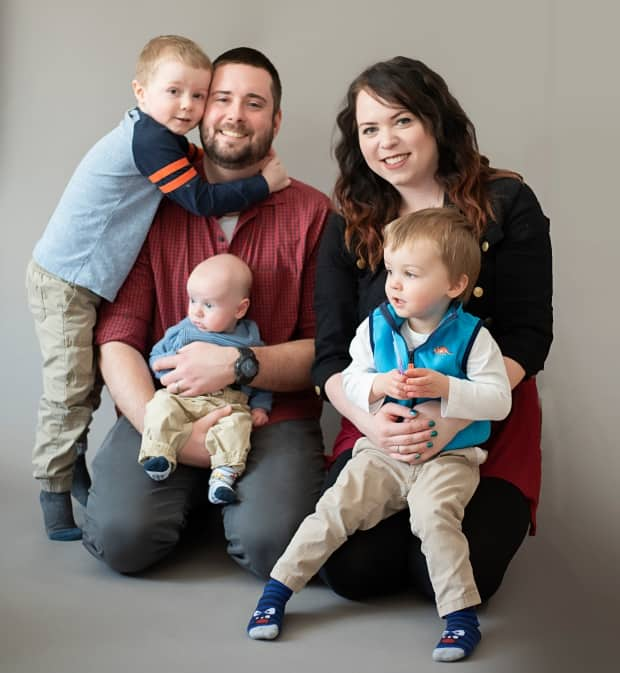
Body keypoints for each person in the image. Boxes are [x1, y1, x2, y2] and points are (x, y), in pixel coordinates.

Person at [311, 58, 552, 616]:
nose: (386, 142)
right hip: (381, 427)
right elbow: (329, 358)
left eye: (401, 121)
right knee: (352, 572)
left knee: (447, 576)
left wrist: (453, 415)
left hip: (484, 422)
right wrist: (376, 424)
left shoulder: (507, 202)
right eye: (369, 129)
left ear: (435, 121)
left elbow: (528, 336)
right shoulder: (347, 222)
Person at [26, 35, 289, 542]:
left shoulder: (164, 140)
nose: (188, 107)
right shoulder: (149, 140)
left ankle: (69, 467)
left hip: (87, 277)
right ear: (140, 92)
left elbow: (191, 162)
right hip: (65, 278)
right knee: (68, 391)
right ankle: (53, 491)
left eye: (197, 96)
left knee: (84, 387)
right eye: (176, 93)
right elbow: (198, 198)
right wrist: (264, 185)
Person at [80, 47, 331, 578]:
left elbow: (326, 349)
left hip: (269, 415)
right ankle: (192, 489)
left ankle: (229, 491)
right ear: (199, 109)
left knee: (273, 548)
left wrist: (241, 365)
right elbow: (119, 335)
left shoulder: (313, 214)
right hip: (164, 405)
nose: (235, 114)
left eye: (254, 102)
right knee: (121, 540)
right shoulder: (152, 202)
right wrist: (157, 423)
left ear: (276, 119)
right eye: (221, 98)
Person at [248, 208, 512, 662]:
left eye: (410, 274)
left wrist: (449, 388)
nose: (394, 284)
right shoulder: (376, 327)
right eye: (391, 271)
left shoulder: (473, 338)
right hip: (381, 453)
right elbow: (350, 379)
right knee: (333, 509)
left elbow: (498, 399)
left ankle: (460, 619)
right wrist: (377, 386)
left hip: (448, 457)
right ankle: (276, 592)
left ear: (454, 285)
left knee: (434, 519)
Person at [139, 253, 272, 506]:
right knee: (159, 405)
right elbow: (156, 357)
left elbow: (260, 377)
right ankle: (159, 454)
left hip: (227, 402)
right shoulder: (183, 330)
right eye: (192, 300)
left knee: (238, 425)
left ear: (240, 308)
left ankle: (224, 475)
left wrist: (260, 407)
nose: (196, 311)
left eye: (208, 305)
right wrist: (169, 374)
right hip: (183, 395)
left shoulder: (249, 338)